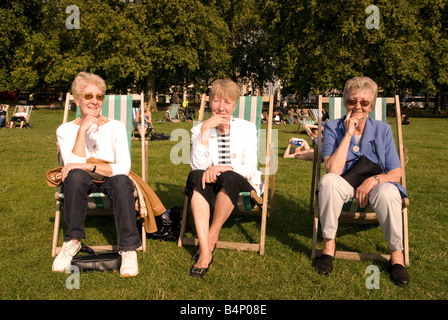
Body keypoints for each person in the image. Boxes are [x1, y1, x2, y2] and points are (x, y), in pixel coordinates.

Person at [316, 76, 410, 286]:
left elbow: (396, 173)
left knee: (388, 192)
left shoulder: (383, 129)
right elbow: (333, 169)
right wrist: (349, 133)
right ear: (345, 102)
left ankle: (397, 257)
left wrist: (374, 180)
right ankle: (328, 246)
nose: (357, 106)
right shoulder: (333, 127)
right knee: (329, 181)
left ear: (371, 105)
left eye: (364, 102)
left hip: (377, 184)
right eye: (352, 101)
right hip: (344, 183)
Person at [52, 71, 141, 277]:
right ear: (77, 99)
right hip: (83, 178)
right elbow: (73, 166)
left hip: (112, 177)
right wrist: (82, 130)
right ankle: (72, 242)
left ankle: (127, 249)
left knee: (121, 182)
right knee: (74, 177)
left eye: (99, 96)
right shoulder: (65, 130)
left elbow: (123, 167)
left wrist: (90, 167)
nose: (94, 101)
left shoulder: (116, 127)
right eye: (88, 96)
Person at [185, 79, 263, 278]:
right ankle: (205, 251)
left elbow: (250, 169)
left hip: (239, 180)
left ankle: (211, 237)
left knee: (229, 175)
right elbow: (197, 168)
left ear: (235, 105)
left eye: (227, 102)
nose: (221, 107)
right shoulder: (198, 129)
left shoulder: (247, 129)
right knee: (195, 176)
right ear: (210, 102)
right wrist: (204, 131)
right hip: (209, 182)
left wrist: (222, 167)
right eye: (217, 101)